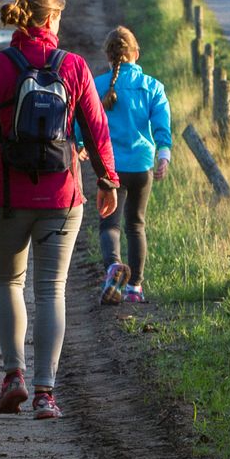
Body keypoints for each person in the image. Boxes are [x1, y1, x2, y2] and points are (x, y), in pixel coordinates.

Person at [0, 0, 119, 420]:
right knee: (50, 290)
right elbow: (96, 130)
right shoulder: (74, 66)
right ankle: (46, 394)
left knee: (9, 283)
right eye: (59, 17)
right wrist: (108, 181)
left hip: (8, 196)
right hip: (62, 197)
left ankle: (13, 377)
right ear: (49, 19)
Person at [79, 27, 172, 305]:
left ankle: (113, 268)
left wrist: (80, 143)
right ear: (136, 54)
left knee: (109, 224)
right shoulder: (153, 86)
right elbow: (162, 125)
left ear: (108, 56)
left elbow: (82, 118)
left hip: (110, 169)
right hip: (142, 166)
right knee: (136, 225)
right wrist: (164, 155)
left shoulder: (97, 85)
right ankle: (135, 288)